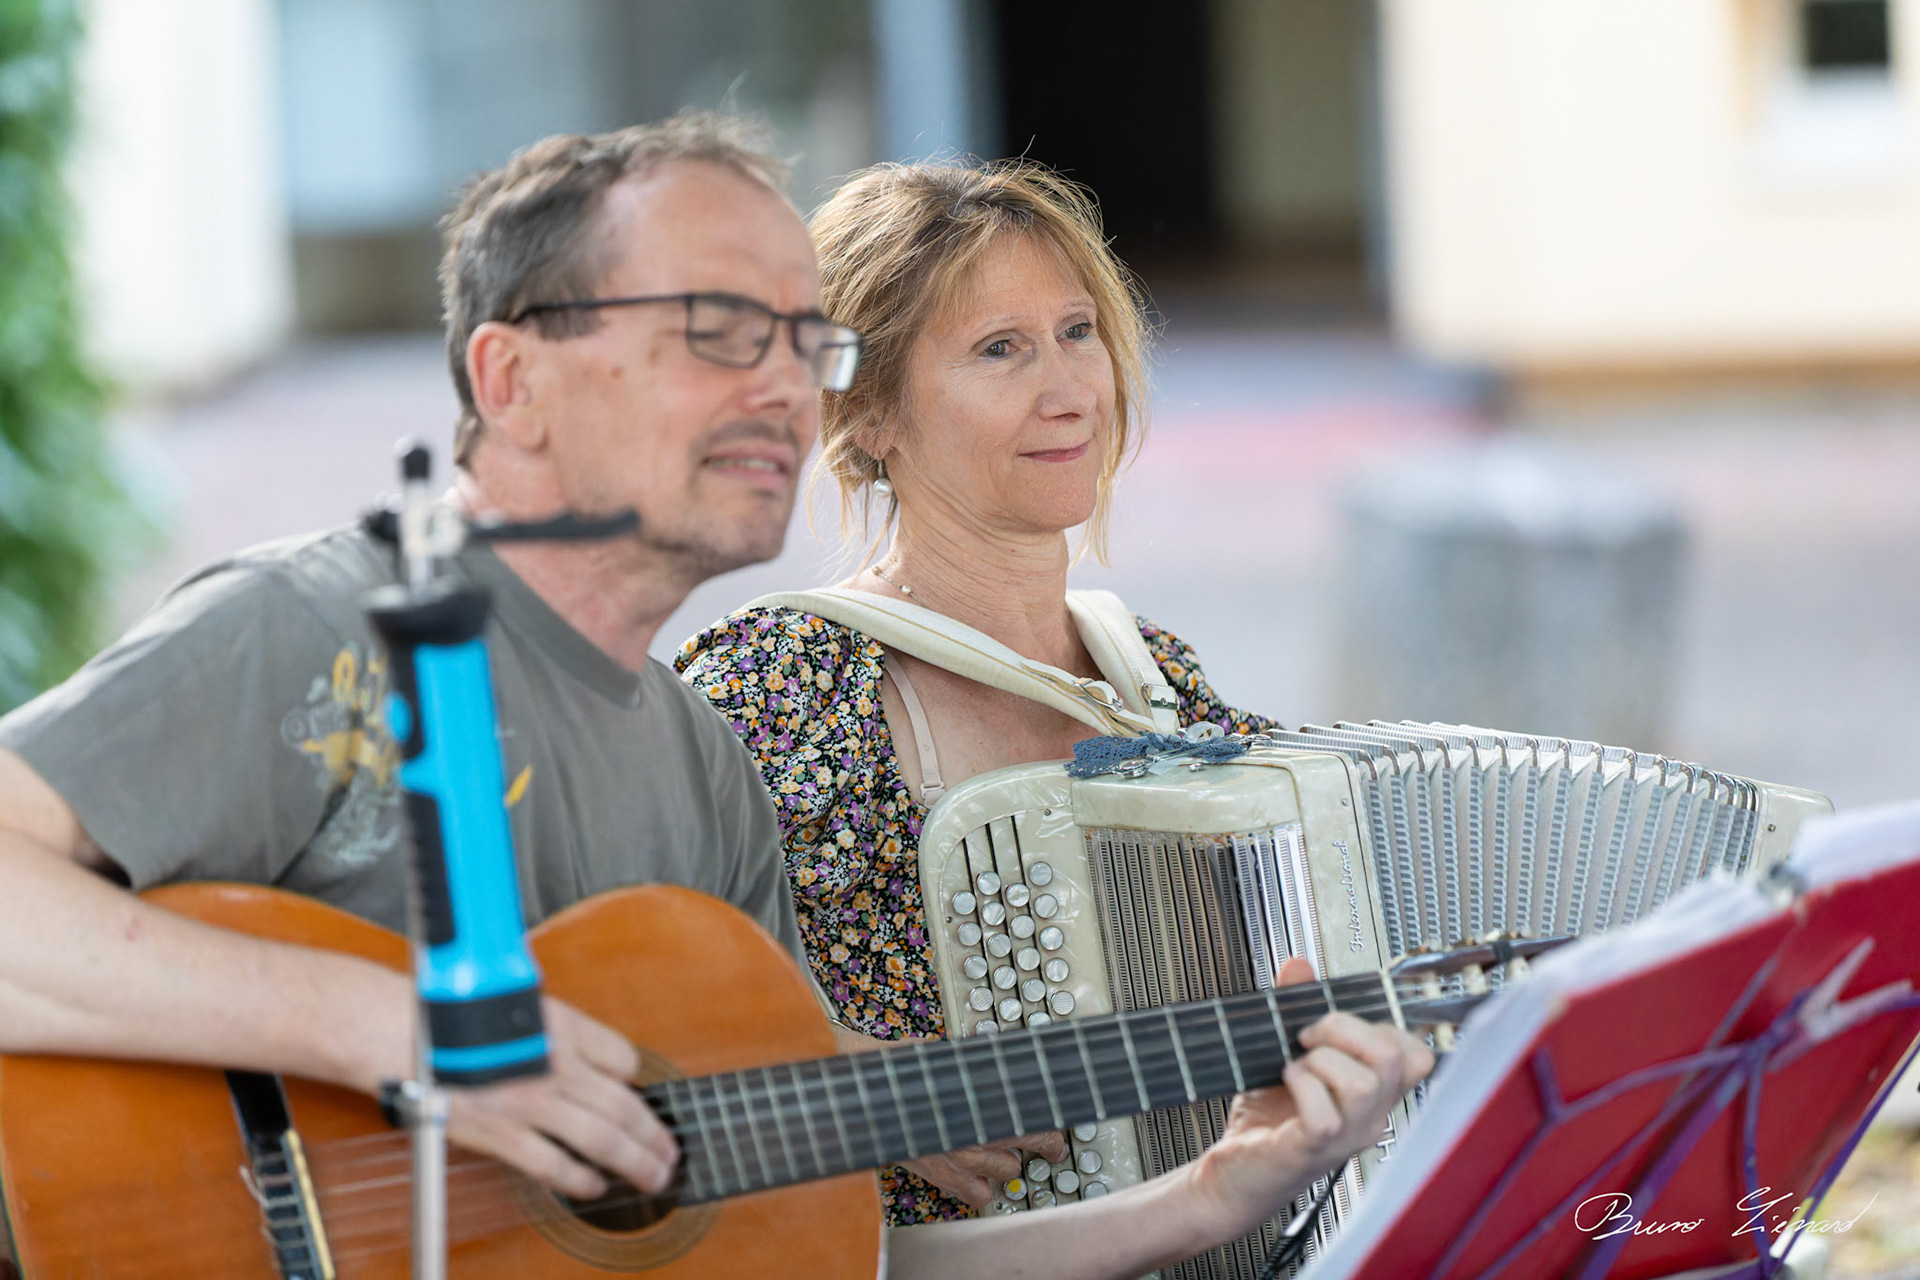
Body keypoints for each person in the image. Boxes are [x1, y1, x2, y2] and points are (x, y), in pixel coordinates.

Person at [0, 115, 1426, 1280]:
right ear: (514, 377)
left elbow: (814, 1246)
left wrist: (1210, 1197)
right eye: (712, 332)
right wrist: (402, 1032)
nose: (783, 394)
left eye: (806, 345)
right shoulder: (335, 635)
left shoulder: (701, 771)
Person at [676, 159, 1290, 1223]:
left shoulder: (1158, 678)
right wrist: (848, 1077)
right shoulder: (781, 682)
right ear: (868, 413)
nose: (1068, 391)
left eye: (1077, 331)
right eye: (1000, 350)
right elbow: (608, 980)